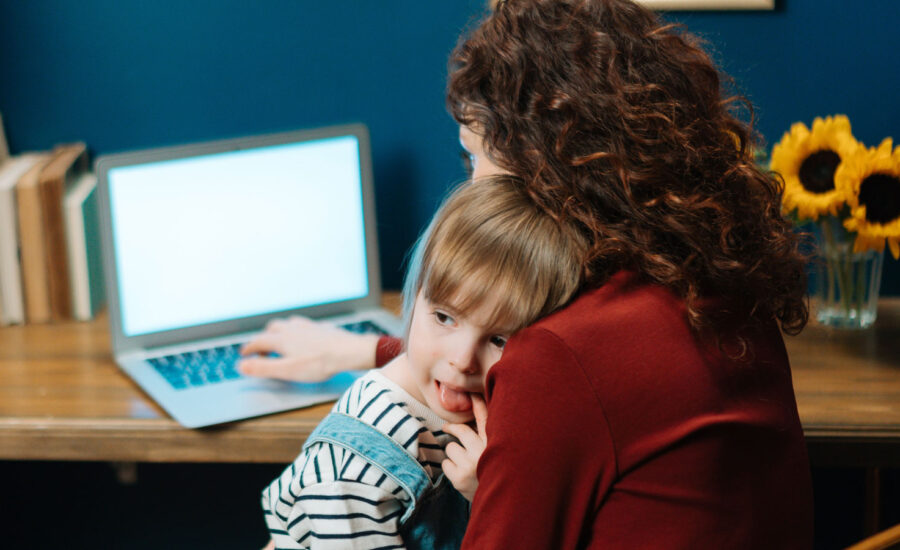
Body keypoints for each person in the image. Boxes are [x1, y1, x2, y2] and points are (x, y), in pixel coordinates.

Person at [245, 0, 814, 547]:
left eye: (478, 160)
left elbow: (558, 377)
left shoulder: (562, 356)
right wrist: (364, 351)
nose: (472, 188)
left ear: (552, 167)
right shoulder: (702, 273)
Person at [259, 175, 586, 550]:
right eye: (445, 318)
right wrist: (496, 501)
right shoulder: (353, 469)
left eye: (499, 340)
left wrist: (489, 497)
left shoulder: (505, 410)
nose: (462, 360)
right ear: (414, 299)